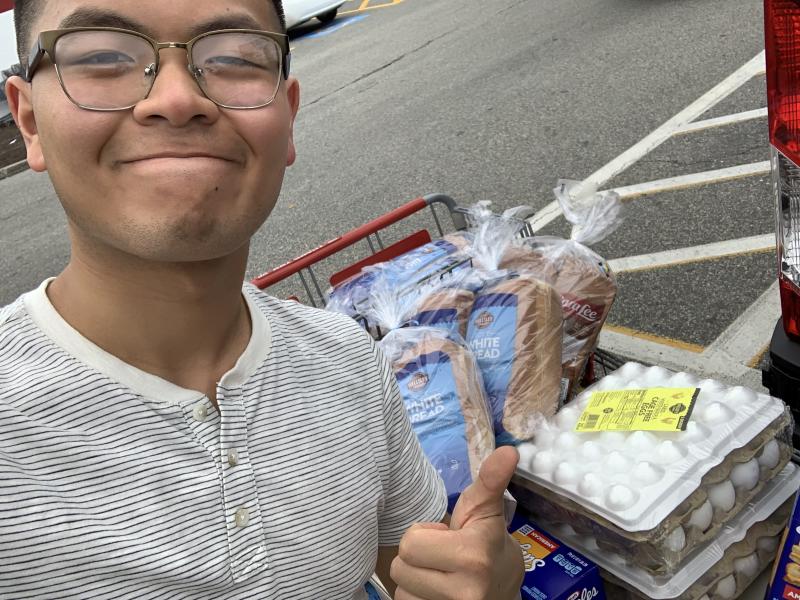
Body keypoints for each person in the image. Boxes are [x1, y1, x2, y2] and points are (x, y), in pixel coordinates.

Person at [1, 0, 525, 598]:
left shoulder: (349, 358)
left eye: (233, 56)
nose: (176, 99)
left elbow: (404, 563)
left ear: (289, 116)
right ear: (31, 121)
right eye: (102, 56)